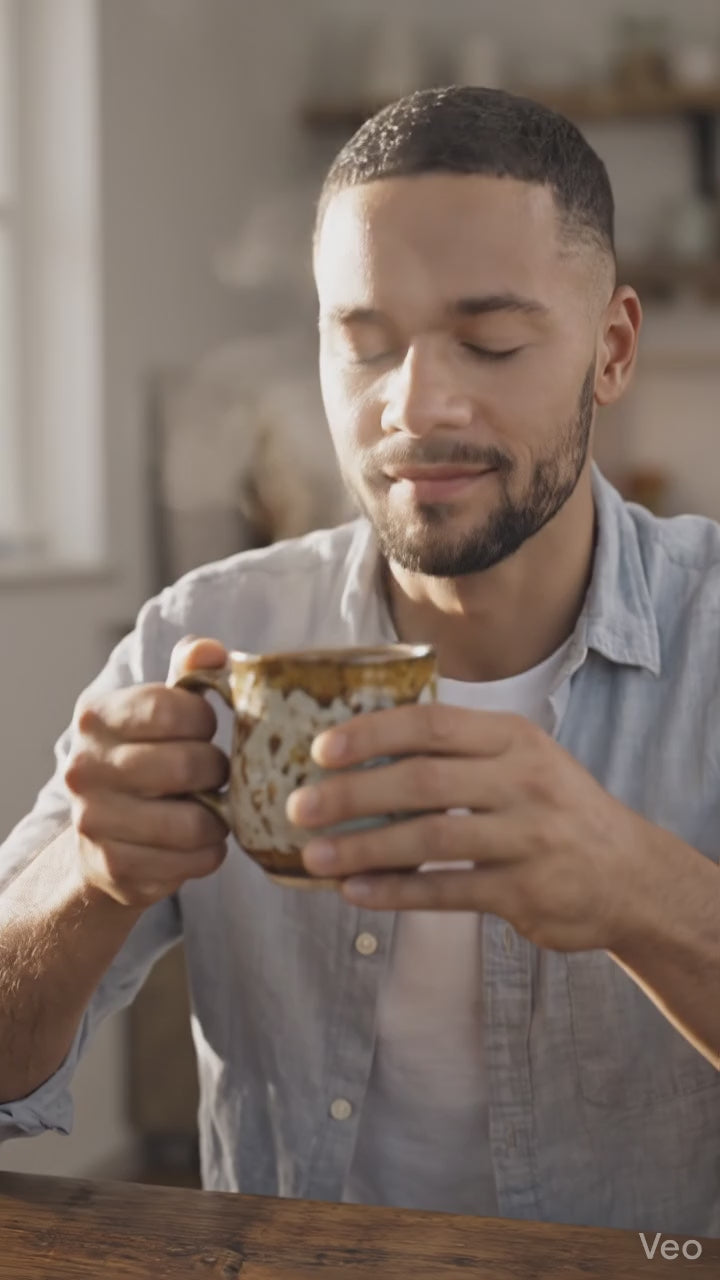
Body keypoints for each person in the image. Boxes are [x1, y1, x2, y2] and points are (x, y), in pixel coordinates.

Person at [1, 86, 718, 1236]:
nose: (414, 404)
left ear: (613, 349)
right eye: (365, 343)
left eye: (489, 340)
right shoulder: (206, 634)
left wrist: (641, 890)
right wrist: (83, 878)